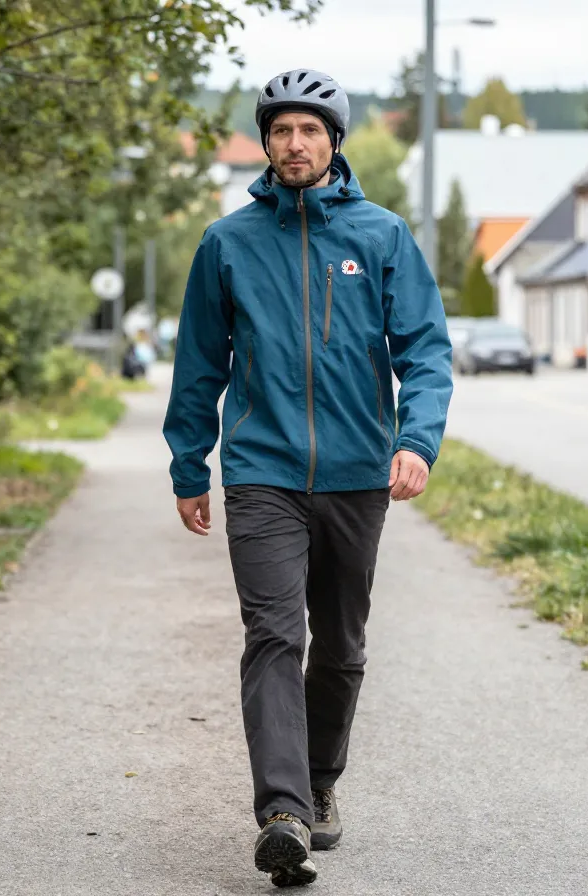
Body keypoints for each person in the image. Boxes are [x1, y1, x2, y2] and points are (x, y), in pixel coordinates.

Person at [162, 68, 453, 888]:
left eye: (310, 131)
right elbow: (197, 367)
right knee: (274, 637)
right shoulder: (227, 243)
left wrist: (418, 441)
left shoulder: (382, 236)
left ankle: (322, 783)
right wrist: (190, 463)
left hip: (360, 475)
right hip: (262, 471)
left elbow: (425, 353)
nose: (295, 144)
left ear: (334, 143)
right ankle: (282, 813)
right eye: (282, 130)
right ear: (265, 141)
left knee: (342, 649)